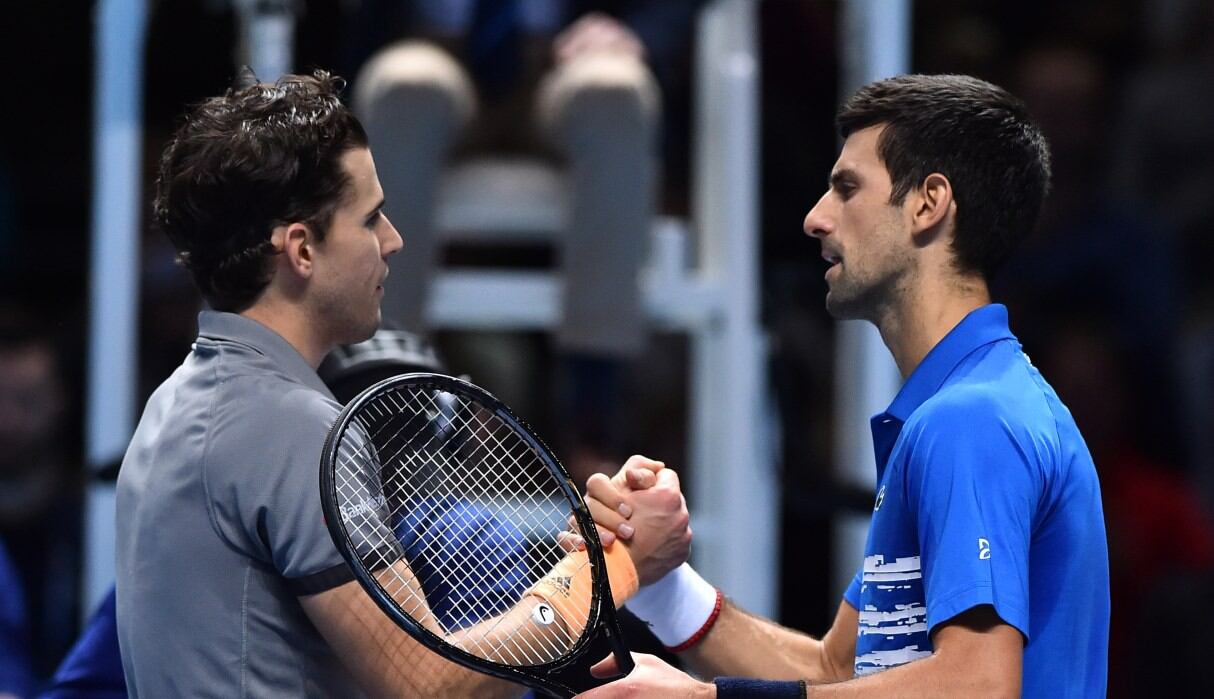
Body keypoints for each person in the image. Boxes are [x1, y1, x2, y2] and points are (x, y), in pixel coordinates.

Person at [113, 69, 687, 697]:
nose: (393, 240)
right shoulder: (291, 428)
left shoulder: (174, 401)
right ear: (302, 250)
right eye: (370, 219)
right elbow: (427, 685)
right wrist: (611, 569)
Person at [576, 74, 1110, 697]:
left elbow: (978, 685)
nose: (815, 218)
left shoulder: (971, 419)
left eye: (847, 188)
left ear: (928, 204)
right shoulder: (965, 408)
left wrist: (705, 698)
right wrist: (660, 581)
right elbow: (837, 673)